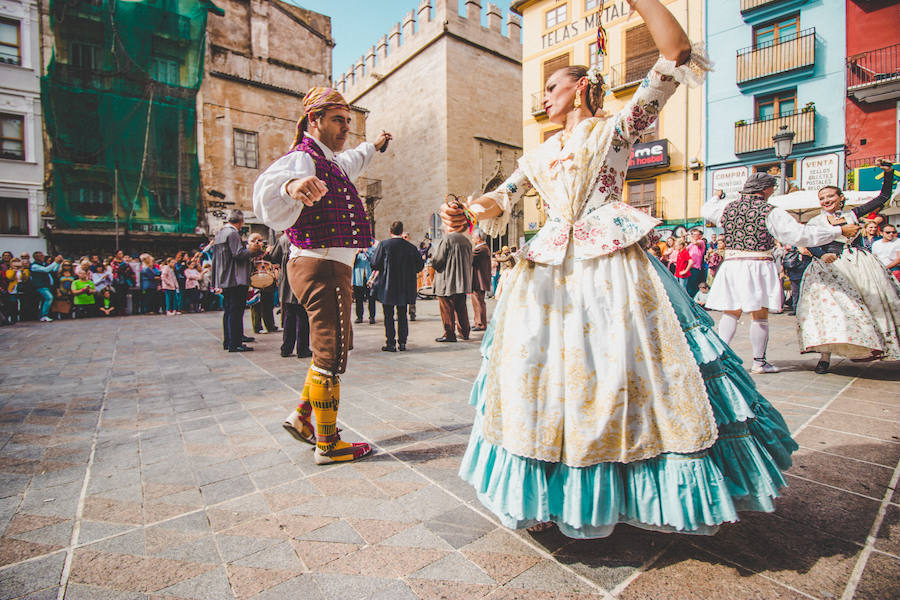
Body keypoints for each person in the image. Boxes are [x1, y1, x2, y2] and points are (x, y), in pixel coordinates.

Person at [446, 0, 802, 540]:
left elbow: (675, 53)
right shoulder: (537, 154)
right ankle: (550, 488)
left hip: (611, 267)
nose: (544, 96)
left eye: (553, 87)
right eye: (543, 91)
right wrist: (467, 210)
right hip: (546, 277)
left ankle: (633, 486)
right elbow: (500, 199)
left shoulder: (615, 129)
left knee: (619, 370)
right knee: (544, 377)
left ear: (584, 88)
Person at [253, 86, 391, 463]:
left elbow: (354, 159)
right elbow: (267, 188)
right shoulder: (304, 158)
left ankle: (302, 417)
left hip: (329, 265)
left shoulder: (331, 160)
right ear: (313, 120)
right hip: (321, 263)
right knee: (330, 353)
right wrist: (292, 186)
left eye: (348, 120)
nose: (346, 127)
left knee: (332, 348)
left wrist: (375, 146)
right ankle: (328, 446)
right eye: (337, 120)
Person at [702, 176, 858, 374]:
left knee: (731, 312)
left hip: (732, 265)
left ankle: (721, 359)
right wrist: (838, 231)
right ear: (766, 189)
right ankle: (759, 362)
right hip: (757, 264)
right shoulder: (770, 211)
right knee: (759, 315)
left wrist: (716, 196)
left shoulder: (726, 208)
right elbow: (799, 235)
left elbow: (706, 209)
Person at [797, 162, 898, 373]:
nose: (826, 201)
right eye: (822, 198)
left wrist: (888, 174)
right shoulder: (816, 220)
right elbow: (808, 242)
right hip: (828, 266)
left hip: (857, 264)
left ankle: (867, 345)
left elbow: (882, 197)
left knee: (866, 306)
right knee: (830, 310)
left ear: (841, 198)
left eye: (830, 196)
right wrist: (822, 254)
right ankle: (825, 357)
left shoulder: (853, 215)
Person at [212, 210, 263, 352]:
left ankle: (229, 340)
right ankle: (235, 343)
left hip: (225, 277)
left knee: (229, 310)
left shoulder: (221, 233)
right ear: (240, 222)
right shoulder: (233, 233)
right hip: (235, 278)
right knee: (235, 311)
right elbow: (238, 254)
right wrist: (253, 250)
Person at [371, 220, 424, 352]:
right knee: (402, 314)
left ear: (390, 231)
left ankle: (390, 343)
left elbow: (375, 264)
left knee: (388, 315)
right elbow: (420, 265)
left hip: (388, 285)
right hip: (405, 285)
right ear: (402, 231)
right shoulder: (410, 247)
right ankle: (403, 342)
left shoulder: (384, 245)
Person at [269, 232, 312, 359]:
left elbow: (274, 257)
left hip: (287, 283)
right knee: (303, 317)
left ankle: (286, 348)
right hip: (301, 280)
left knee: (289, 316)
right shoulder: (305, 236)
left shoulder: (283, 238)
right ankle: (302, 348)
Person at [432, 225, 472, 343]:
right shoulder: (466, 240)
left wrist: (433, 264)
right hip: (462, 281)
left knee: (446, 307)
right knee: (461, 307)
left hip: (447, 281)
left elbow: (437, 260)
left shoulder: (447, 239)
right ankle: (465, 332)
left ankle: (449, 334)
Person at [248, 233, 278, 334]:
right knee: (256, 305)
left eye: (260, 240)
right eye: (256, 240)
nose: (259, 242)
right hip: (255, 281)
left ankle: (270, 325)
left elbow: (273, 261)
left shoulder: (265, 253)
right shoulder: (250, 252)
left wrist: (270, 252)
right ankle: (257, 327)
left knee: (268, 304)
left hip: (267, 280)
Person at [29, 252, 62, 323]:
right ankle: (44, 315)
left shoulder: (44, 264)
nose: (43, 257)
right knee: (49, 298)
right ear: (35, 257)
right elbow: (46, 270)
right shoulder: (34, 266)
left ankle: (43, 315)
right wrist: (55, 262)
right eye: (40, 256)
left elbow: (54, 270)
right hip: (40, 286)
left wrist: (58, 263)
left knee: (44, 300)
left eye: (42, 255)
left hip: (47, 286)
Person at [781, 244, 812, 316]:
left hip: (795, 268)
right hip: (800, 268)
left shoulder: (793, 242)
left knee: (796, 291)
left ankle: (796, 309)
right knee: (799, 291)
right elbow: (803, 250)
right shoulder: (799, 242)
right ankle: (798, 309)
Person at [470, 229, 492, 331]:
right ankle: (478, 322)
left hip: (479, 280)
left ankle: (480, 323)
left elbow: (469, 258)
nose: (472, 239)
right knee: (478, 301)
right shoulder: (483, 248)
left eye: (473, 237)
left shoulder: (481, 249)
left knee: (478, 302)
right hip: (479, 280)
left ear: (478, 238)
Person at [352, 245, 377, 324]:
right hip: (358, 278)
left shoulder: (373, 249)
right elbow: (352, 263)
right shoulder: (355, 250)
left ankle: (372, 316)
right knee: (359, 299)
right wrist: (357, 253)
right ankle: (359, 316)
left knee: (371, 298)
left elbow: (374, 262)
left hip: (369, 278)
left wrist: (367, 252)